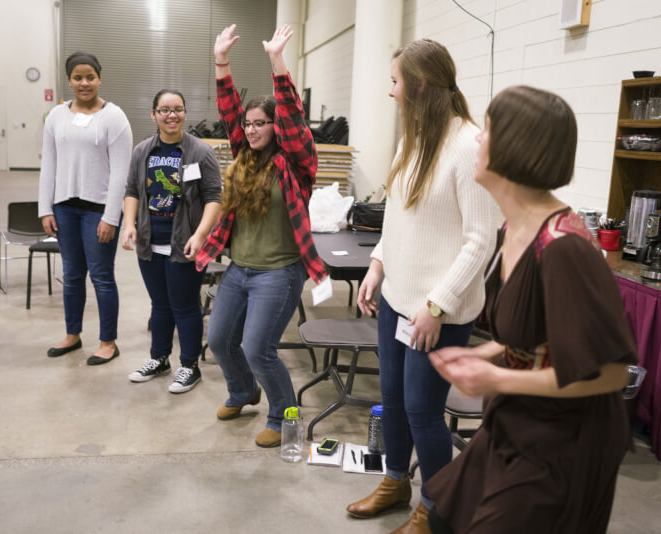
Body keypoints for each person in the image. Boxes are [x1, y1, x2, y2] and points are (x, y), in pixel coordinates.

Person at [425, 86, 637, 534]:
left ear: (514, 147)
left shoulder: (564, 249)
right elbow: (533, 335)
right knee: (444, 516)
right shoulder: (514, 228)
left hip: (564, 439)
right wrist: (482, 355)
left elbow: (610, 374)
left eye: (485, 129)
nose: (477, 140)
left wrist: (496, 377)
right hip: (518, 419)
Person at [345, 39, 499, 533]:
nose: (390, 92)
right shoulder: (414, 137)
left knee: (422, 411)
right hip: (398, 299)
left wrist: (437, 305)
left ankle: (438, 507)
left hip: (437, 311)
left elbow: (481, 241)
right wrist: (377, 265)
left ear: (420, 85)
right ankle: (395, 481)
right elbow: (399, 215)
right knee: (391, 397)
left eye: (395, 82)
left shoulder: (469, 144)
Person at [195, 24, 328, 448]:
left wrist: (277, 62)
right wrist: (221, 62)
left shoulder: (296, 163)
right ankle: (242, 392)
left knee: (258, 349)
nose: (251, 130)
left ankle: (284, 414)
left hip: (280, 272)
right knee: (217, 339)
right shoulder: (243, 159)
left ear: (276, 126)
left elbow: (292, 117)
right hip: (240, 269)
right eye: (248, 124)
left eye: (261, 124)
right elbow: (228, 109)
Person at [122, 89, 221, 393]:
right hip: (150, 243)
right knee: (160, 305)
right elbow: (132, 191)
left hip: (184, 244)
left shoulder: (200, 152)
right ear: (154, 114)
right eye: (164, 110)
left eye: (177, 109)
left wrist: (200, 235)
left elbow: (214, 198)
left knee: (185, 306)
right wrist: (129, 225)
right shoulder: (142, 151)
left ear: (184, 114)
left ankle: (189, 366)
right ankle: (159, 358)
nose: (171, 115)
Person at [38, 51, 132, 365]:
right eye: (77, 77)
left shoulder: (114, 117)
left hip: (98, 210)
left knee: (102, 276)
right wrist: (45, 208)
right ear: (69, 80)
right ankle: (72, 334)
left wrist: (111, 215)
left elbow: (121, 172)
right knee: (72, 275)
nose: (84, 83)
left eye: (90, 76)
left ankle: (108, 341)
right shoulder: (56, 116)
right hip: (64, 207)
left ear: (99, 78)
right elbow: (48, 165)